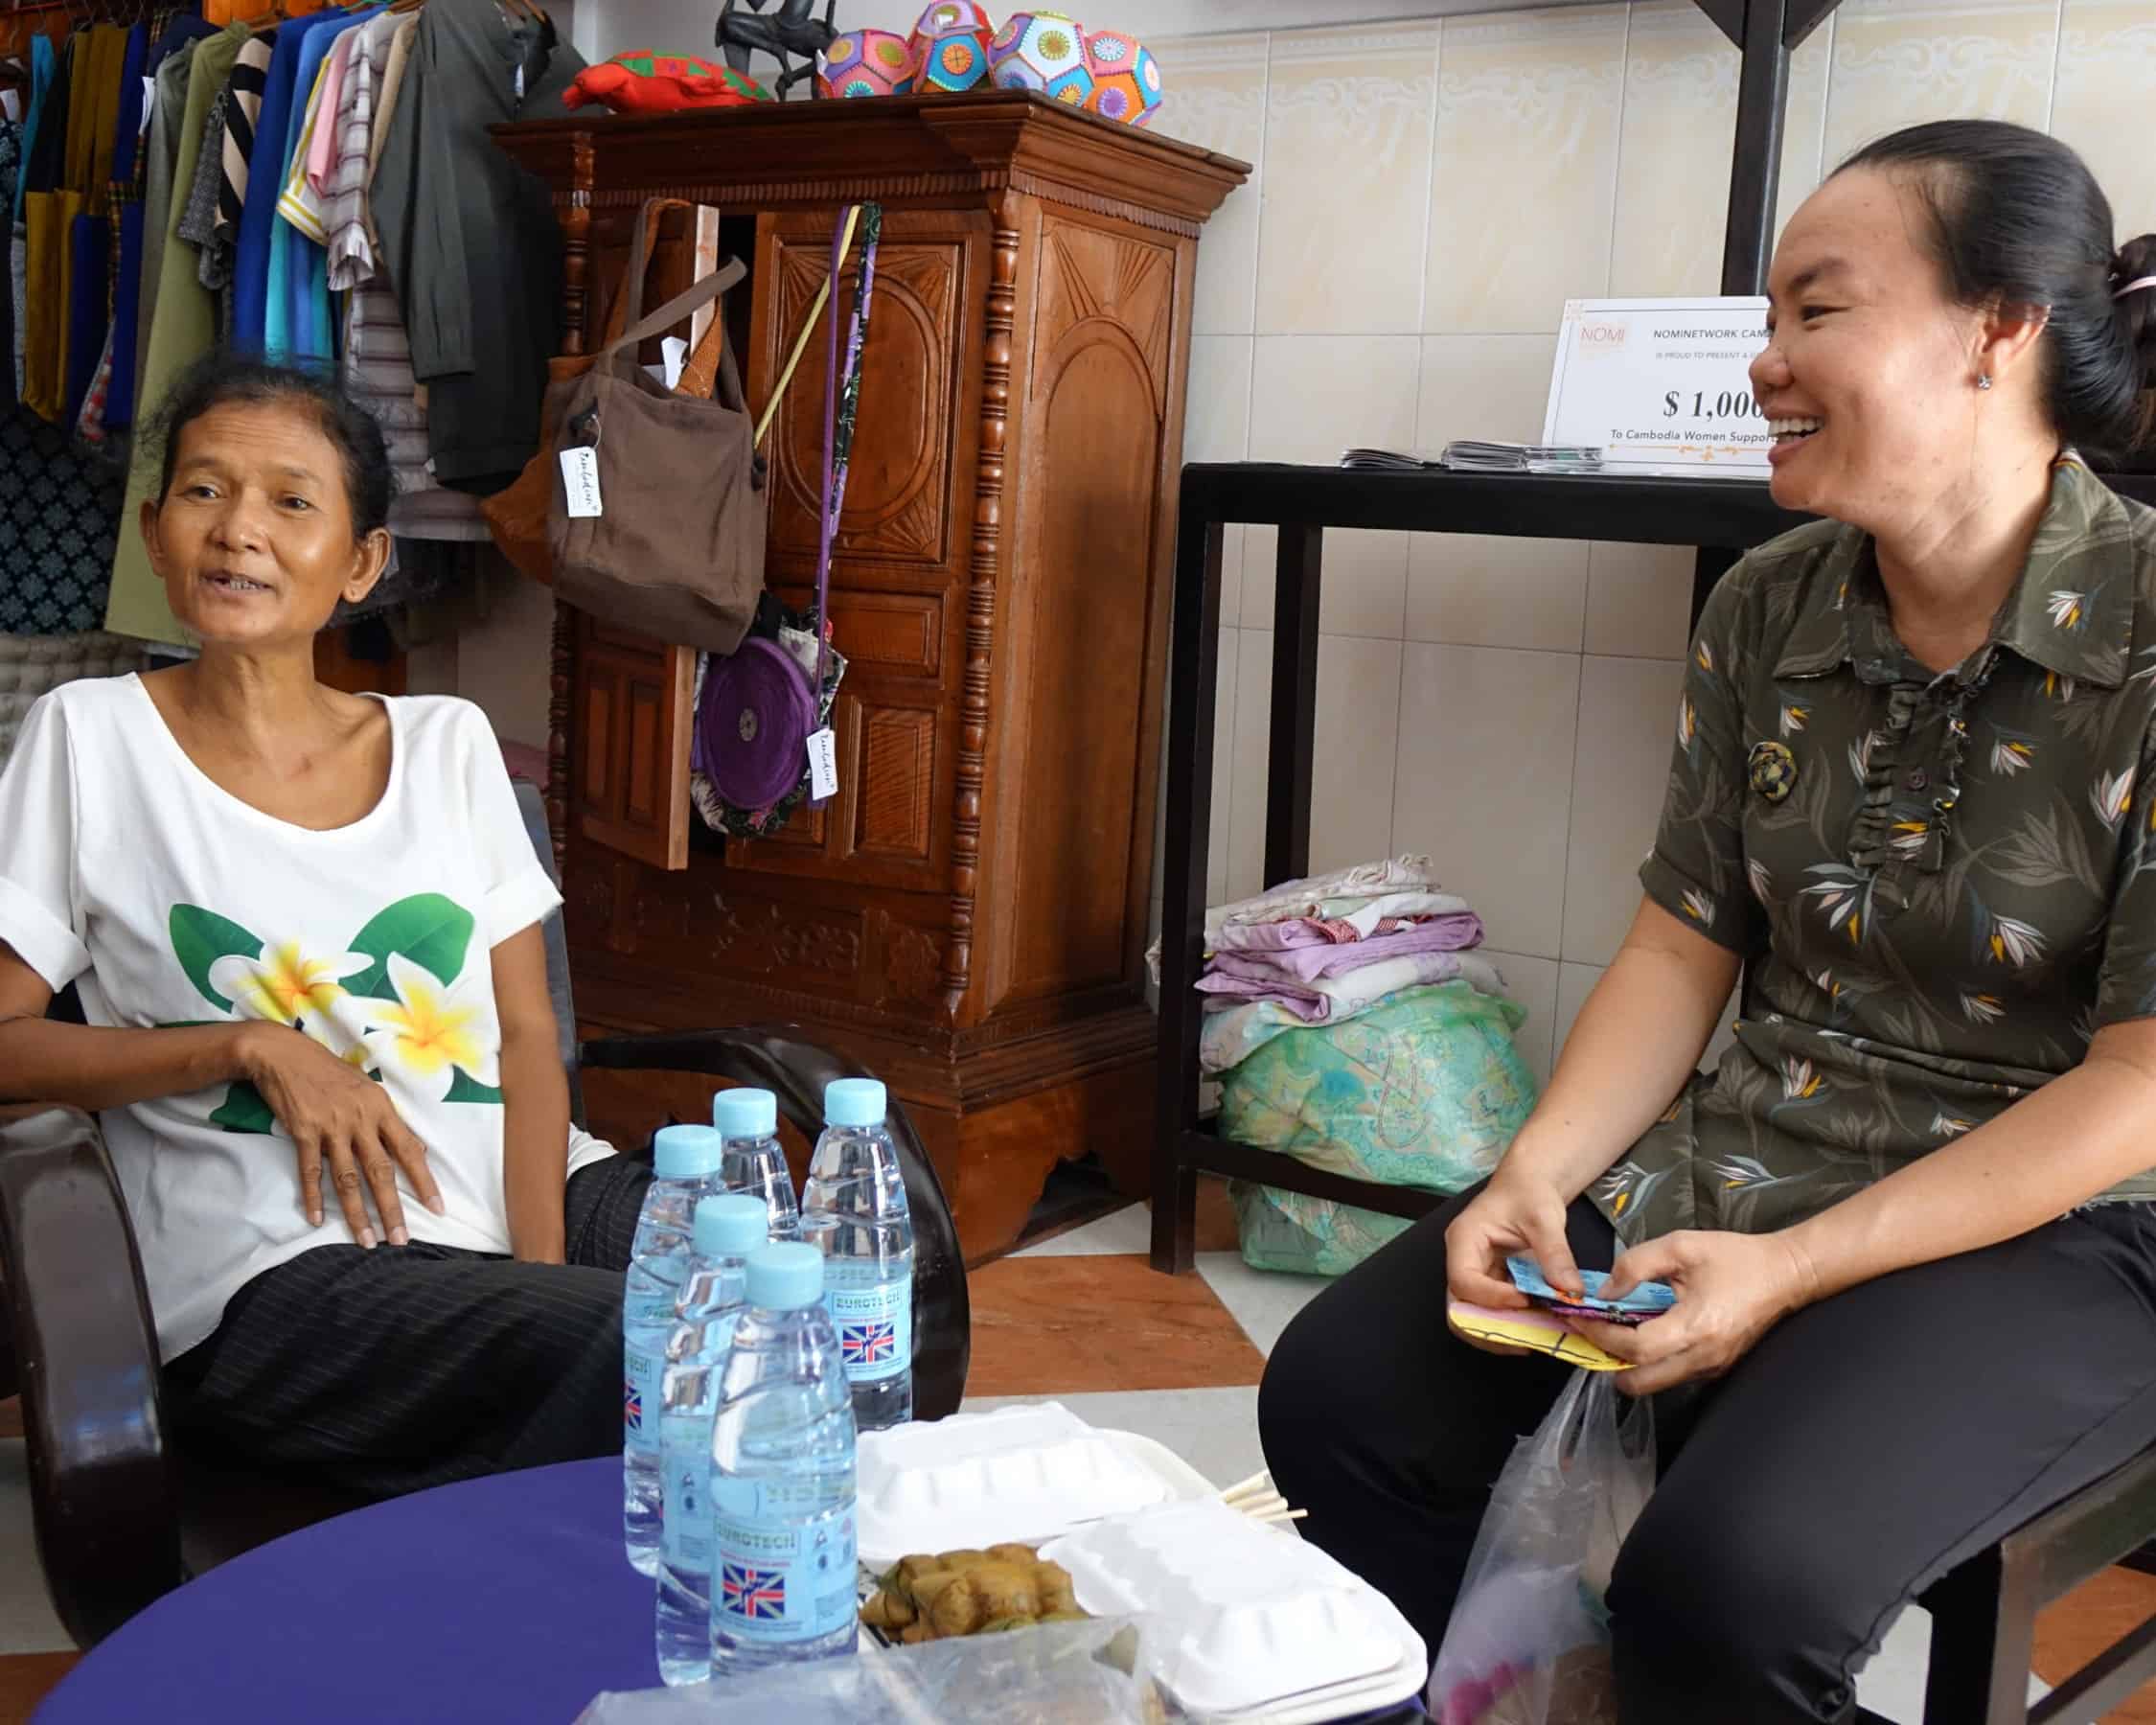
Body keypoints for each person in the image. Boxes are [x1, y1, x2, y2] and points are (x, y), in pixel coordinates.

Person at [1261, 119, 2156, 1723]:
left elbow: (2140, 1084)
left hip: (2074, 1224)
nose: (1766, 363)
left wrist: (1794, 1272)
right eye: (1768, 321)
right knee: (1342, 1405)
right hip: (1765, 1147)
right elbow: (1686, 943)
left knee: (1728, 1584)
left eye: (1820, 311)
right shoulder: (1772, 602)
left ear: (1999, 327)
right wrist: (1534, 1173)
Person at [0, 354, 652, 1497]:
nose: (239, 530)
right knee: (635, 1349)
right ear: (153, 534)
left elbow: (527, 1036)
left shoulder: (447, 743)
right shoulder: (89, 737)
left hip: (517, 1200)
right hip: (276, 1263)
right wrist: (249, 1045)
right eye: (204, 492)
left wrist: (539, 1269)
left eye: (290, 501)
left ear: (361, 563)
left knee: (807, 1292)